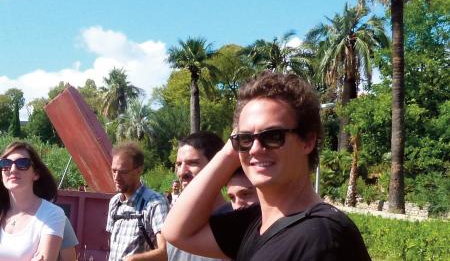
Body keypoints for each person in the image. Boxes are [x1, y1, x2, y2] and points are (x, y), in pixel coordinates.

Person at [162, 71, 371, 260]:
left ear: (307, 141)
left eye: (272, 136)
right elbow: (176, 232)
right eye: (245, 139)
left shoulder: (321, 238)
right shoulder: (256, 222)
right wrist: (229, 150)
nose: (254, 149)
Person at [166, 131, 227, 261]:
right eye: (178, 164)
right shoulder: (174, 220)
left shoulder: (237, 224)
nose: (181, 172)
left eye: (192, 163)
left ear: (217, 166)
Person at [0, 141, 66, 261]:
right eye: (6, 164)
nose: (13, 169)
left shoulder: (52, 214)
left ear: (36, 174)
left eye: (22, 163)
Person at [106, 141, 169, 261]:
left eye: (123, 172)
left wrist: (133, 259)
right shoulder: (115, 202)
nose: (116, 177)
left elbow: (165, 252)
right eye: (114, 171)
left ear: (139, 170)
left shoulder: (155, 203)